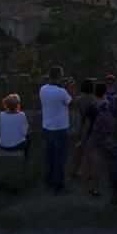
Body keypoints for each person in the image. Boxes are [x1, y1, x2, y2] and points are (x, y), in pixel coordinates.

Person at [39, 66, 73, 195]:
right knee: (60, 158)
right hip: (59, 128)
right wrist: (69, 90)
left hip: (47, 127)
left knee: (49, 157)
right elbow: (71, 102)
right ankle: (58, 185)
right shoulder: (61, 92)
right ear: (60, 77)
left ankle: (48, 181)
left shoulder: (42, 89)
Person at [77, 83, 115, 197]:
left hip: (93, 136)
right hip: (106, 136)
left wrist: (81, 140)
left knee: (94, 163)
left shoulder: (92, 107)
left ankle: (95, 188)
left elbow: (86, 126)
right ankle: (111, 183)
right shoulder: (110, 103)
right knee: (108, 161)